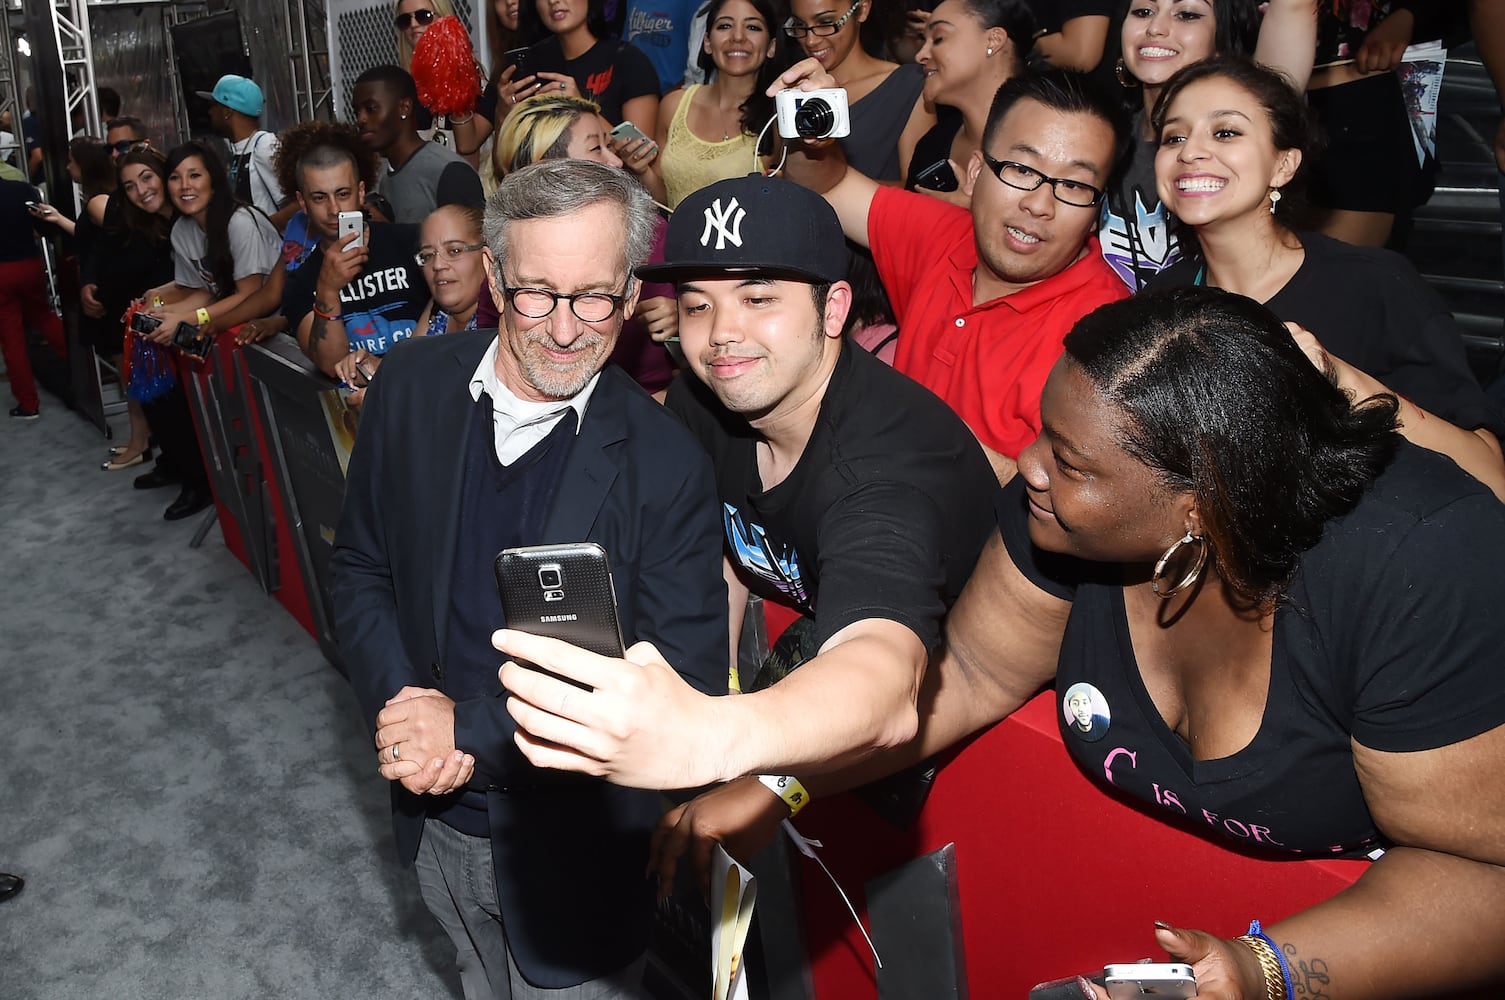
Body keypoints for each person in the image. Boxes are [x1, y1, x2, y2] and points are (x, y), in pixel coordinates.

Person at [657, 287, 1505, 1000]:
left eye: (1070, 463)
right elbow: (972, 675)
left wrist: (1261, 972)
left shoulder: (1419, 565)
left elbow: (1481, 871)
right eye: (1042, 435)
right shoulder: (1054, 521)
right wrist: (779, 785)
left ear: (1199, 502)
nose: (1025, 466)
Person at [329, 157, 727, 998]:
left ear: (630, 296)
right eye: (537, 293)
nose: (564, 329)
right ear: (493, 276)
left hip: (576, 862)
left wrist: (461, 733)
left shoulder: (668, 467)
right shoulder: (409, 386)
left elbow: (681, 690)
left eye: (594, 297)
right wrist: (403, 715)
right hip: (430, 819)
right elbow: (361, 566)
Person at [493, 172, 999, 811]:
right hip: (797, 705)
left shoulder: (883, 471)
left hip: (962, 757)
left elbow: (883, 678)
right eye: (697, 305)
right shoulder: (710, 399)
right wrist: (720, 680)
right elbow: (723, 536)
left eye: (758, 298)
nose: (721, 333)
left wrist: (715, 743)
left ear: (833, 309)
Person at [1148, 54, 1505, 498]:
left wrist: (1340, 381)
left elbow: (1489, 471)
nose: (1190, 152)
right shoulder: (1161, 303)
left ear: (1284, 165)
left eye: (1225, 132)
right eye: (1174, 137)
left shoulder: (1375, 286)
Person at [779, 63, 1130, 470]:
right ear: (976, 173)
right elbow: (825, 184)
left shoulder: (1109, 337)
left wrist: (923, 437)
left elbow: (1074, 494)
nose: (1039, 204)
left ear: (1097, 211)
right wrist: (811, 129)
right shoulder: (945, 236)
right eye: (1020, 170)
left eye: (1074, 185)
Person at [1100, 0, 1316, 290]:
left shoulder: (1253, 110)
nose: (1155, 28)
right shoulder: (1100, 135)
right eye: (1143, 11)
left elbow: (1294, 7)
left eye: (1187, 14)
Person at [487, 94, 678, 392]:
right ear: (550, 169)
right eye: (596, 148)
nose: (616, 161)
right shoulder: (507, 252)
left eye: (595, 294)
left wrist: (682, 317)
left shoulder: (649, 233)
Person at [140, 141, 281, 520]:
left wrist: (191, 319)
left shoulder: (240, 222)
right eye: (175, 177)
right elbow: (202, 288)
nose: (185, 185)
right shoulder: (183, 229)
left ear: (214, 182)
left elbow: (250, 294)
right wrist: (160, 308)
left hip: (272, 326)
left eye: (195, 175)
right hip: (230, 325)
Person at [279, 133, 428, 395]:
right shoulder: (300, 282)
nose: (334, 209)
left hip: (423, 388)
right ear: (303, 203)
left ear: (360, 192)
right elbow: (330, 364)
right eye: (319, 198)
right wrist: (327, 289)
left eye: (343, 193)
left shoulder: (412, 242)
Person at [112, 146, 211, 511]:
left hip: (208, 321)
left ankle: (197, 479)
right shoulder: (151, 224)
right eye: (129, 186)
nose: (141, 191)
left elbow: (214, 283)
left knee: (178, 403)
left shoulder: (195, 216)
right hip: (174, 322)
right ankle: (175, 462)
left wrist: (167, 305)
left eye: (147, 178)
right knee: (157, 393)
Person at [458, 0, 661, 158]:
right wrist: (502, 113)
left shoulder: (627, 60)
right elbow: (470, 145)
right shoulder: (526, 64)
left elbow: (640, 154)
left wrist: (580, 106)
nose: (553, 1)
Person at [784, 0, 934, 184]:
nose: (810, 41)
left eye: (825, 22)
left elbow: (919, 189)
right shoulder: (792, 91)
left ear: (862, 9)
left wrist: (832, 185)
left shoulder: (908, 84)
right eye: (799, 25)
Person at [904, 0, 1035, 203]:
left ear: (993, 40)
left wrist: (975, 213)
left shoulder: (1052, 135)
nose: (920, 55)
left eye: (938, 38)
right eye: (923, 40)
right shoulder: (932, 146)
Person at [655, 0, 780, 209]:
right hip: (676, 231)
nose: (738, 37)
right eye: (725, 26)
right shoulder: (674, 105)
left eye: (752, 27)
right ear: (707, 42)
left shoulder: (778, 118)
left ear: (771, 46)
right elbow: (660, 199)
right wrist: (640, 169)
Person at [355, 65, 484, 225]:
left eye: (371, 109)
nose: (361, 119)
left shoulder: (450, 172)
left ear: (404, 108)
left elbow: (468, 239)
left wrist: (387, 231)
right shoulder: (372, 175)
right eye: (357, 111)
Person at [0, 173, 67, 419]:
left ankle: (28, 404)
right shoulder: (22, 189)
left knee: (11, 337)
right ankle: (81, 372)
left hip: (1, 272)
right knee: (45, 317)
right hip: (28, 264)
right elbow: (44, 227)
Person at [197, 74, 296, 232]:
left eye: (213, 106)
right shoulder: (235, 149)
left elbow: (297, 204)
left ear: (227, 112)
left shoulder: (264, 145)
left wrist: (260, 231)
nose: (210, 112)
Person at [411, 203, 487, 339]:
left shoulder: (504, 324)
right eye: (428, 255)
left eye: (454, 251)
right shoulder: (436, 314)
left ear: (487, 256)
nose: (437, 265)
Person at [625, 0, 707, 93]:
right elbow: (625, 47)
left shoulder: (694, 3)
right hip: (633, 92)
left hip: (675, 92)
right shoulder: (632, 2)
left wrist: (671, 97)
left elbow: (699, 62)